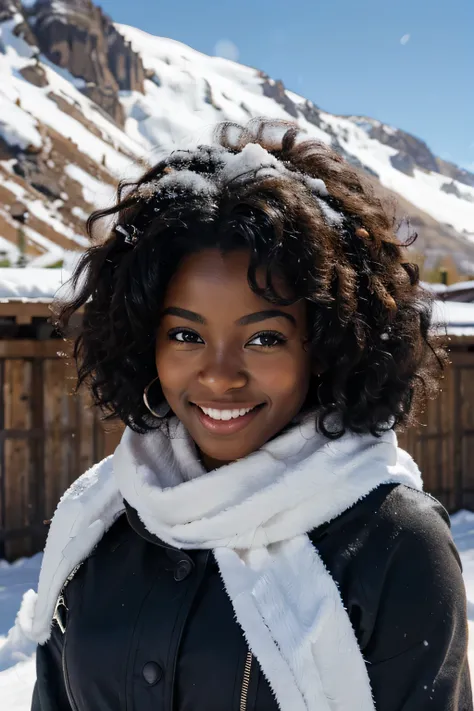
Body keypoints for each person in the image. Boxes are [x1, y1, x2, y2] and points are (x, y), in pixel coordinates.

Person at [29, 119, 471, 711]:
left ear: (328, 343)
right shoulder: (97, 515)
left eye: (263, 339)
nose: (219, 374)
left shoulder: (392, 544)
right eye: (185, 333)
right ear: (143, 340)